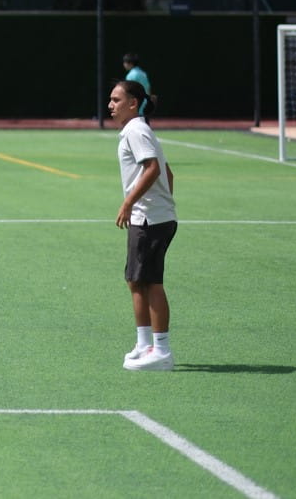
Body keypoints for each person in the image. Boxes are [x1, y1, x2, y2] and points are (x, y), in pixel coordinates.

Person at [110, 80, 178, 372]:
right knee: (136, 280)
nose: (110, 105)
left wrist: (129, 203)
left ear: (133, 103)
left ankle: (161, 351)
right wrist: (163, 204)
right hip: (150, 216)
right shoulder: (136, 130)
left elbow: (153, 169)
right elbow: (168, 173)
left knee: (151, 282)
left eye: (116, 100)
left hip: (150, 219)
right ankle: (144, 344)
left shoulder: (137, 131)